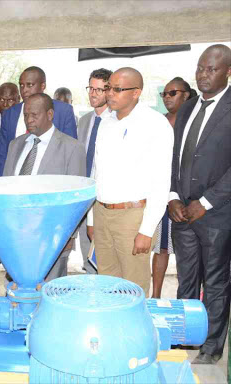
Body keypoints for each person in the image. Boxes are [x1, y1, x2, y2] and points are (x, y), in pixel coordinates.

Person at [168, 44, 231, 365]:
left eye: (212, 69)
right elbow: (176, 156)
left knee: (216, 282)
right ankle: (185, 337)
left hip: (217, 215)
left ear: (228, 72)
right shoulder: (189, 107)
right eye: (201, 68)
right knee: (186, 280)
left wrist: (206, 202)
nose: (204, 74)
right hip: (182, 213)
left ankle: (211, 346)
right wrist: (172, 196)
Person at [87, 67, 173, 295]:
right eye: (108, 88)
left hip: (133, 217)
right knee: (106, 283)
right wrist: (91, 219)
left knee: (133, 288)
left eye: (117, 89)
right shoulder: (106, 122)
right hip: (102, 213)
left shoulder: (155, 123)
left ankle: (134, 331)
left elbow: (161, 181)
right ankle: (112, 330)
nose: (109, 94)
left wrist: (147, 229)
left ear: (136, 92)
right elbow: (96, 172)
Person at [3, 93, 85, 279]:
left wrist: (69, 236)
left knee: (49, 293)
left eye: (34, 115)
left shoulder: (71, 148)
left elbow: (76, 199)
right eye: (25, 115)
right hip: (17, 235)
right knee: (19, 290)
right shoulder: (15, 145)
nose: (29, 120)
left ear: (49, 114)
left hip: (52, 236)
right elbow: (6, 189)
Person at [151, 77, 195, 298]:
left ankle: (187, 297)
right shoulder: (159, 121)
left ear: (186, 95)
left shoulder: (193, 121)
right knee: (162, 247)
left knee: (187, 252)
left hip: (187, 195)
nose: (167, 97)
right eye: (164, 94)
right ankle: (156, 297)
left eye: (172, 93)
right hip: (161, 192)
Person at [0, 66, 77, 176]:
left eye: (30, 85)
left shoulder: (63, 111)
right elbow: (3, 156)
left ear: (43, 86)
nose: (24, 90)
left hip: (52, 183)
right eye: (21, 85)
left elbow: (71, 152)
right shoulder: (9, 114)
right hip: (16, 184)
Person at [78, 68, 112, 274]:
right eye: (91, 88)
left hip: (106, 199)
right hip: (85, 195)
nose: (93, 93)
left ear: (109, 91)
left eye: (99, 89)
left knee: (106, 261)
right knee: (87, 255)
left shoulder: (117, 121)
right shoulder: (84, 121)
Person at [0, 83, 20, 176]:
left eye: (10, 100)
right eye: (1, 99)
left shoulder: (24, 120)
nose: (5, 104)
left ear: (18, 99)